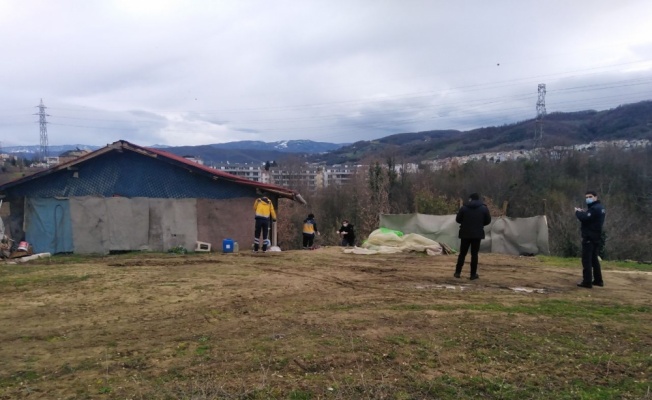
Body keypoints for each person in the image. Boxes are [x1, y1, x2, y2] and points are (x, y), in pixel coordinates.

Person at [454, 193, 491, 280]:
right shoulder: (484, 208)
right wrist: (480, 224)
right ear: (478, 199)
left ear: (470, 199)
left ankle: (457, 272)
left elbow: (458, 219)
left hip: (465, 234)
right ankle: (473, 274)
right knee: (474, 254)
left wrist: (465, 223)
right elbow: (488, 220)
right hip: (477, 234)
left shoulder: (464, 208)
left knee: (462, 254)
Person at [574, 190, 606, 288]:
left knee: (586, 260)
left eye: (590, 197)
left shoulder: (594, 209)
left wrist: (578, 212)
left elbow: (585, 218)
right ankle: (598, 280)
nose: (588, 199)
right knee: (594, 259)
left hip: (589, 237)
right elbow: (590, 217)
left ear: (595, 197)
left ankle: (587, 281)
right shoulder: (600, 208)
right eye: (586, 197)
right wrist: (584, 213)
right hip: (596, 236)